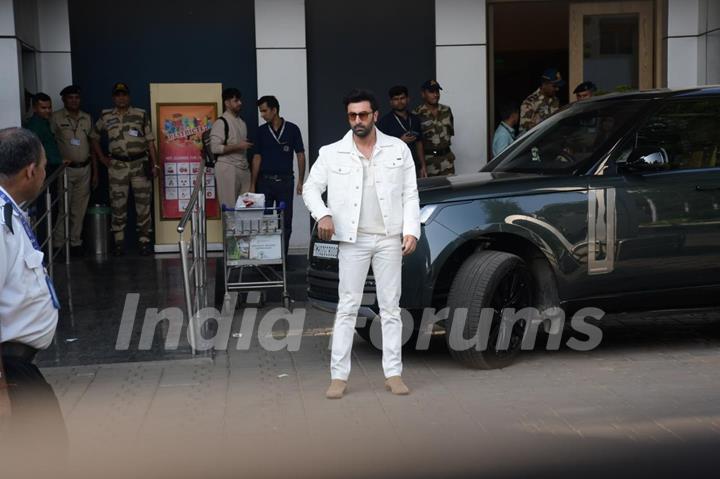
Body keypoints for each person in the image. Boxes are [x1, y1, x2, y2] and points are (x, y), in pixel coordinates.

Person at [303, 89, 420, 399]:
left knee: (391, 308)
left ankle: (393, 373)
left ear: (375, 116)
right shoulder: (331, 152)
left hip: (388, 238)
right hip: (352, 240)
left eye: (363, 115)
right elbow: (310, 189)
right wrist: (323, 214)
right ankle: (338, 377)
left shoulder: (397, 149)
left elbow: (410, 193)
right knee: (348, 307)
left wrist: (412, 230)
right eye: (352, 115)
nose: (358, 120)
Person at [0, 127, 67, 464]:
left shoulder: (10, 211)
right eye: (43, 166)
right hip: (8, 373)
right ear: (30, 170)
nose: (44, 173)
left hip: (18, 368)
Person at [90, 82, 158, 256]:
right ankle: (119, 243)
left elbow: (150, 141)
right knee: (118, 205)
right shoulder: (106, 116)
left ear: (129, 96)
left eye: (124, 94)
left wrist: (154, 163)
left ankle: (144, 241)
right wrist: (102, 158)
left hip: (139, 164)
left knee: (143, 206)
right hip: (117, 167)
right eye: (118, 95)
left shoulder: (140, 114)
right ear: (114, 97)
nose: (121, 98)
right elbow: (94, 137)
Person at [250, 95, 305, 258]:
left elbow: (300, 155)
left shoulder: (292, 129)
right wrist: (253, 183)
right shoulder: (261, 131)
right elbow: (257, 157)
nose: (262, 115)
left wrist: (301, 181)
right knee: (265, 221)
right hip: (265, 182)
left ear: (275, 110)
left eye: (265, 111)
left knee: (285, 221)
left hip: (286, 182)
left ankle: (283, 257)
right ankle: (266, 257)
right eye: (261, 111)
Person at [51, 85, 97, 256]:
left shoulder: (87, 118)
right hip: (65, 170)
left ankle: (75, 243)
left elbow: (92, 144)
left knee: (79, 209)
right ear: (64, 99)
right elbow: (49, 143)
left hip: (84, 168)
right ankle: (59, 244)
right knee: (64, 208)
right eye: (70, 98)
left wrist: (95, 172)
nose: (74, 100)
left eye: (76, 97)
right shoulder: (55, 118)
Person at [210, 88, 253, 209]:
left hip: (243, 168)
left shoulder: (242, 123)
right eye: (236, 100)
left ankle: (241, 229)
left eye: (240, 100)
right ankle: (230, 229)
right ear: (227, 103)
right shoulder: (221, 122)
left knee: (246, 210)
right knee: (229, 210)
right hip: (227, 167)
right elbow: (215, 148)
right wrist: (238, 146)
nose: (240, 103)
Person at [377, 85, 427, 178]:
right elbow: (380, 149)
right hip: (394, 167)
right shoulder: (384, 122)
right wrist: (401, 141)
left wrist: (423, 166)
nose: (399, 102)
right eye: (396, 99)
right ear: (391, 102)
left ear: (408, 99)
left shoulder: (415, 119)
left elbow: (419, 143)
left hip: (414, 165)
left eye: (402, 98)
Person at [413, 80, 455, 176]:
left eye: (437, 91)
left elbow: (450, 133)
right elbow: (417, 143)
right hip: (429, 162)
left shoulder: (446, 110)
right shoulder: (417, 114)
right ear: (423, 94)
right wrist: (422, 165)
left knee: (450, 189)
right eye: (431, 92)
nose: (435, 95)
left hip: (447, 160)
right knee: (432, 189)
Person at [519, 68, 565, 134]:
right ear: (544, 84)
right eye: (554, 86)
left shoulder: (555, 100)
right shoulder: (530, 102)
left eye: (558, 86)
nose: (557, 89)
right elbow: (524, 130)